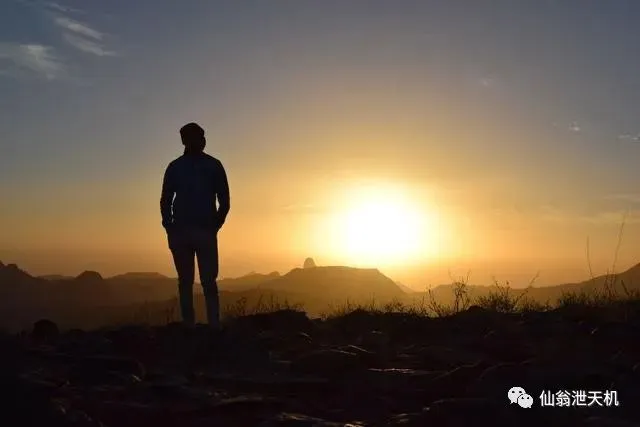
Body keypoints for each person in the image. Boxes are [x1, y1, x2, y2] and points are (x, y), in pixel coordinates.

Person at [160, 122, 230, 328]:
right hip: (187, 231)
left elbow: (224, 201)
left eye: (202, 136)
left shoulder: (208, 166)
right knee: (192, 281)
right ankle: (201, 326)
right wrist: (169, 226)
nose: (202, 140)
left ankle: (206, 326)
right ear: (186, 140)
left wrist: (215, 225)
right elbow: (166, 200)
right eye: (198, 136)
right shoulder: (179, 167)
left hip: (196, 230)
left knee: (199, 281)